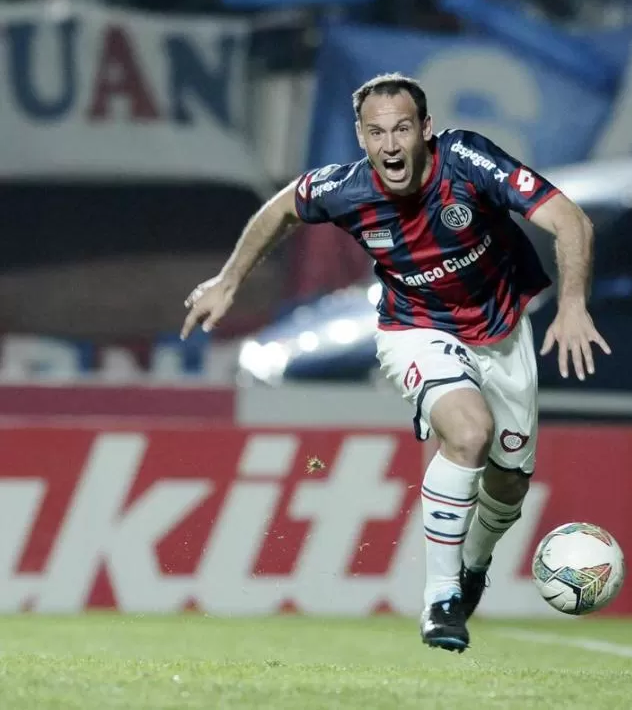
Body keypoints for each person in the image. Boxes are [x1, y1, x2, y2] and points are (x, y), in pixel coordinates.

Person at [180, 73, 610, 653]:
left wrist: (575, 303)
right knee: (468, 431)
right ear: (360, 137)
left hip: (503, 331)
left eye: (402, 129)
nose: (389, 145)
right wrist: (229, 281)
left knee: (508, 485)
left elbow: (570, 220)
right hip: (416, 328)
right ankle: (441, 600)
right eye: (376, 132)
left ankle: (473, 567)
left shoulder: (467, 161)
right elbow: (281, 209)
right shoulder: (345, 188)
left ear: (425, 130)